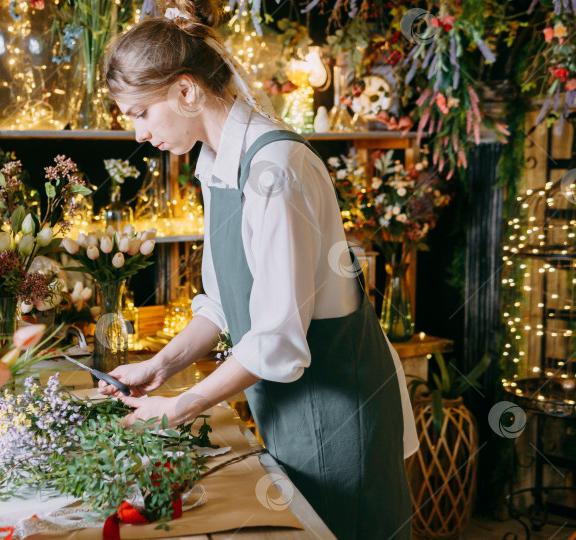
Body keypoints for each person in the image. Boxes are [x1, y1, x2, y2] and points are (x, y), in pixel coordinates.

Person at [99, 1, 419, 538]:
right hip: (287, 410)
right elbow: (226, 301)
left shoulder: (276, 172)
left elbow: (275, 340)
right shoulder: (216, 163)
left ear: (185, 90)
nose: (137, 134)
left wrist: (179, 407)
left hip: (340, 413)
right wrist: (165, 363)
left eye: (139, 113)